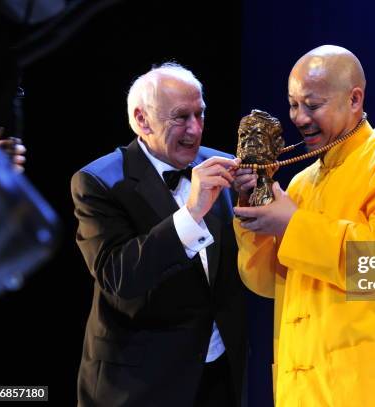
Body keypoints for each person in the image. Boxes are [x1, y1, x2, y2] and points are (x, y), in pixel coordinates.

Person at [233, 45, 375, 406]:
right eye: (293, 105)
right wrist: (252, 209)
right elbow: (264, 282)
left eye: (312, 104)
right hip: (306, 391)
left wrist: (292, 225)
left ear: (354, 99)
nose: (299, 118)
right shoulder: (303, 183)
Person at [71, 63, 246, 407]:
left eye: (200, 114)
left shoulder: (223, 166)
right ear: (141, 119)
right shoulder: (98, 182)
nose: (195, 130)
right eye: (181, 117)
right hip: (138, 384)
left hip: (219, 373)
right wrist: (191, 213)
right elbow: (119, 277)